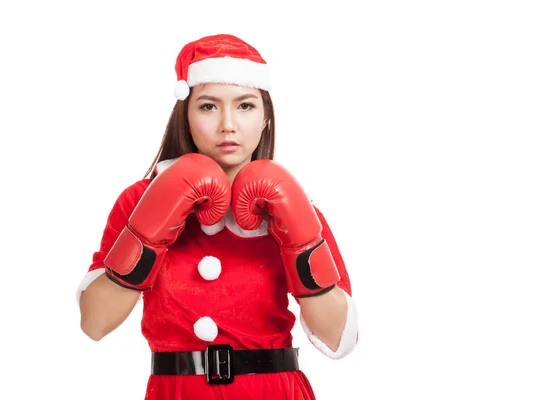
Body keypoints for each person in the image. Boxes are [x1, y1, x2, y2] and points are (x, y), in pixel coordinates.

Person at [76, 33, 359, 399]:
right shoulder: (139, 199)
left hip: (273, 390)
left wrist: (300, 237)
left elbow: (339, 338)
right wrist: (148, 229)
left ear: (266, 117)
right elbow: (95, 323)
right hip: (177, 390)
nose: (228, 124)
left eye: (245, 106)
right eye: (208, 106)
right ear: (187, 115)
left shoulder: (293, 203)